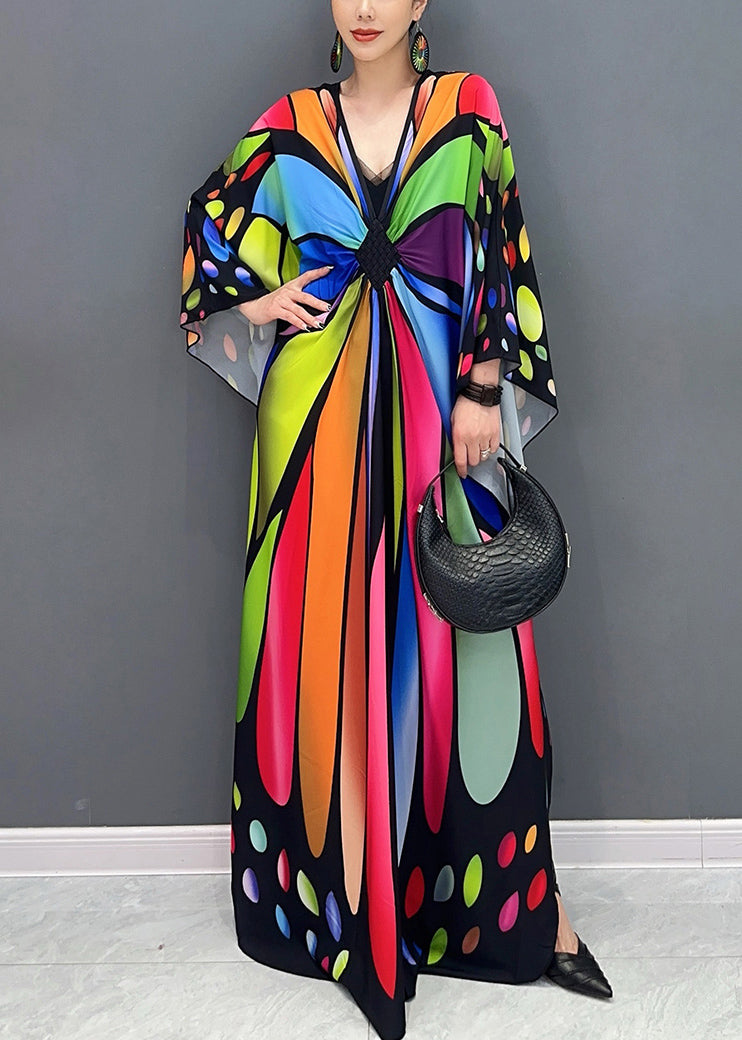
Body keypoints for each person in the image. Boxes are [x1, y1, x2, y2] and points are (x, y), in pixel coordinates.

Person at [180, 2, 612, 1037]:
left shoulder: (467, 110)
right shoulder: (289, 122)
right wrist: (257, 300)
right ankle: (336, 906)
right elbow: (208, 226)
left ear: (422, 3)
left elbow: (499, 244)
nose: (366, 6)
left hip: (435, 417)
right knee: (320, 645)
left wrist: (482, 382)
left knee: (467, 652)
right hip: (314, 425)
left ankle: (521, 913)